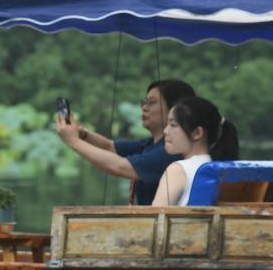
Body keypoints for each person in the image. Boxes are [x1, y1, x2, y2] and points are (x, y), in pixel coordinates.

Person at [56, 79, 195, 205]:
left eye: (151, 102)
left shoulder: (173, 150)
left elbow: (120, 167)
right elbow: (109, 146)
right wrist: (82, 134)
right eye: (144, 102)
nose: (144, 107)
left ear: (175, 109)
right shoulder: (150, 144)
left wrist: (73, 141)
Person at [152, 97, 239, 206]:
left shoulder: (177, 170)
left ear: (197, 133)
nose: (165, 131)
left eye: (173, 125)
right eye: (167, 124)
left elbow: (155, 218)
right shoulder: (228, 170)